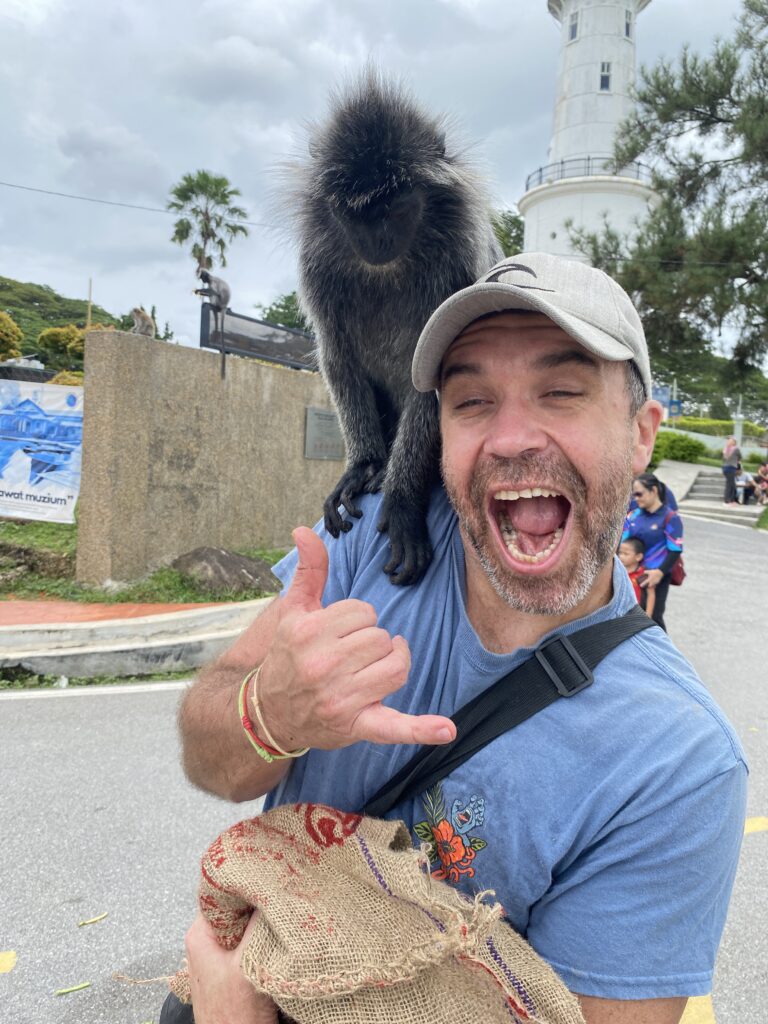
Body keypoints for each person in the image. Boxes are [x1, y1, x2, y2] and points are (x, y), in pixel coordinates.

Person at [166, 254, 747, 1024]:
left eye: (562, 392)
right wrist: (265, 713)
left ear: (642, 436)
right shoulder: (368, 546)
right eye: (472, 400)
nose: (510, 438)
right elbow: (212, 759)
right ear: (437, 433)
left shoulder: (675, 761)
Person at [621, 473, 682, 632]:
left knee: (653, 620)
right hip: (630, 575)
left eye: (639, 494)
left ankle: (664, 656)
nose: (636, 498)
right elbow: (621, 543)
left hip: (655, 577)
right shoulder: (634, 515)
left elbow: (675, 549)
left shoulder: (670, 518)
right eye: (633, 495)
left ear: (653, 491)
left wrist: (660, 572)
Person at [617, 536, 655, 619]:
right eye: (620, 553)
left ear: (638, 557)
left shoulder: (643, 574)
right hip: (619, 613)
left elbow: (651, 595)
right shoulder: (617, 571)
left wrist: (648, 615)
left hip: (637, 614)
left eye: (626, 554)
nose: (621, 556)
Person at [722, 436, 741, 505]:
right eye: (729, 440)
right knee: (730, 485)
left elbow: (725, 458)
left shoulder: (725, 448)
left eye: (730, 440)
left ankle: (731, 500)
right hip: (731, 468)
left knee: (731, 484)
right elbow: (739, 457)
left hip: (725, 468)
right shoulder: (736, 449)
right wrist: (737, 461)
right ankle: (727, 501)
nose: (728, 441)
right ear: (734, 443)